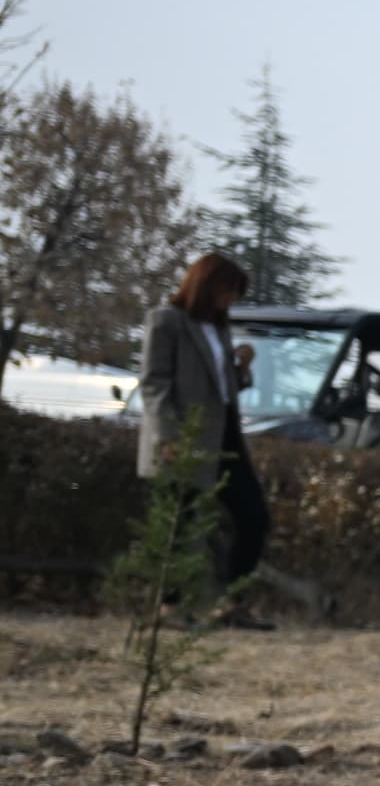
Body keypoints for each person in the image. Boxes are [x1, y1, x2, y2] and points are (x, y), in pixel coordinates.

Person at [138, 253, 272, 624]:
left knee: (253, 517)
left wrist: (241, 369)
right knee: (181, 523)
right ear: (207, 285)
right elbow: (154, 382)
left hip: (226, 433)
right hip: (185, 435)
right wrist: (169, 435)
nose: (231, 300)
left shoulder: (219, 327)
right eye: (228, 291)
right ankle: (169, 608)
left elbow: (221, 387)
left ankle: (231, 602)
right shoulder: (166, 322)